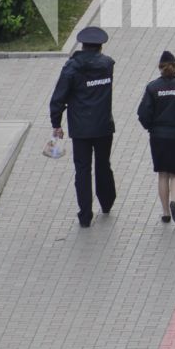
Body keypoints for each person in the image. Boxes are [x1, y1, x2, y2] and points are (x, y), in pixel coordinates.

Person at [50, 26, 117, 227]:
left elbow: (58, 97)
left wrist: (56, 123)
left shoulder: (71, 68)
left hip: (80, 128)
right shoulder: (107, 65)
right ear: (100, 46)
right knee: (103, 164)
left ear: (82, 44)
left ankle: (85, 214)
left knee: (82, 170)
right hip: (104, 125)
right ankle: (106, 202)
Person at [136, 49, 175, 224]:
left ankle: (165, 213)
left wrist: (151, 128)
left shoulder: (152, 88)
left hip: (158, 137)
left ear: (160, 68)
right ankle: (174, 201)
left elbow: (143, 114)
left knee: (163, 174)